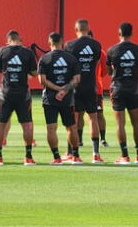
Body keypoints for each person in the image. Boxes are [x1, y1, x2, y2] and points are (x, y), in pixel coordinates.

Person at [0, 30, 37, 166]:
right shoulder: (27, 52)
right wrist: (23, 73)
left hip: (5, 94)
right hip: (23, 94)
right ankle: (28, 157)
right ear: (20, 39)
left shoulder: (3, 51)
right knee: (27, 124)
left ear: (8, 40)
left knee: (0, 124)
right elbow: (34, 72)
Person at [38, 32, 82, 165]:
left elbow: (42, 80)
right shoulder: (71, 58)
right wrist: (64, 90)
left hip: (50, 99)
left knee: (51, 128)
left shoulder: (44, 59)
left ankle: (56, 157)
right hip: (67, 99)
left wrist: (57, 89)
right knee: (71, 127)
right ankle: (75, 156)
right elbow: (77, 79)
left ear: (49, 42)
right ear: (62, 42)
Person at [106, 22, 138, 164]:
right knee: (136, 123)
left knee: (120, 124)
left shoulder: (112, 50)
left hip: (117, 89)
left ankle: (124, 156)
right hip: (134, 90)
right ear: (131, 33)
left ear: (119, 33)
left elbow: (109, 71)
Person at [65, 19, 104, 163]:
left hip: (75, 88)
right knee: (93, 119)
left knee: (73, 121)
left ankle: (73, 154)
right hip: (91, 86)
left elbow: (68, 66)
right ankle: (95, 154)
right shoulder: (96, 45)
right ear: (88, 28)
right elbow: (97, 63)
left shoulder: (70, 45)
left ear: (76, 29)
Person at [90, 30, 109, 147]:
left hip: (96, 89)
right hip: (82, 88)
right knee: (80, 114)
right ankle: (80, 139)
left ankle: (102, 139)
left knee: (99, 114)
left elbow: (105, 70)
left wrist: (97, 78)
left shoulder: (101, 52)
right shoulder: (78, 51)